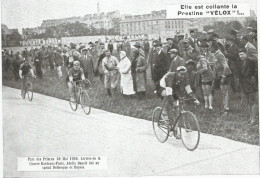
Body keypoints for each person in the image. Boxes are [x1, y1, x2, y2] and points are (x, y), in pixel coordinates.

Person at [159, 66, 200, 138]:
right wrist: (173, 103)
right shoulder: (170, 77)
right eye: (181, 74)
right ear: (177, 73)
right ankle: (164, 114)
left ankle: (175, 130)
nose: (183, 76)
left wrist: (194, 99)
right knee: (168, 97)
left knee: (177, 109)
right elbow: (169, 93)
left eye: (184, 74)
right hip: (164, 86)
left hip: (175, 87)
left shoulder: (185, 78)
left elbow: (189, 90)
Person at [210, 41, 232, 112]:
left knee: (224, 92)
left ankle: (226, 108)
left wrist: (223, 77)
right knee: (219, 92)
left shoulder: (220, 55)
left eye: (210, 47)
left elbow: (226, 67)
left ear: (214, 48)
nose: (209, 49)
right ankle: (222, 107)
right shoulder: (215, 55)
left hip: (223, 75)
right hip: (218, 76)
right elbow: (215, 67)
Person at [238, 48, 258, 125]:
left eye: (242, 54)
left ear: (246, 53)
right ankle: (251, 118)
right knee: (248, 102)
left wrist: (253, 78)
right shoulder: (241, 62)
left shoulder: (250, 60)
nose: (241, 56)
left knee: (252, 102)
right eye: (239, 54)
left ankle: (254, 119)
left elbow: (254, 71)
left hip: (251, 84)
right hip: (245, 84)